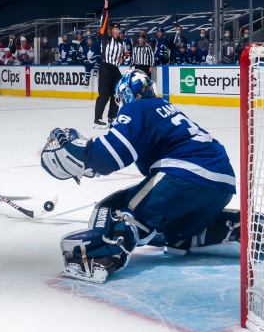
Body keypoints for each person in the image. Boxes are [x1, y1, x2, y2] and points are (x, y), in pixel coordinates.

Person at [39, 69, 241, 284]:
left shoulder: (137, 108)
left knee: (115, 211)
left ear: (128, 95)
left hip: (185, 175)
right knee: (170, 230)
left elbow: (109, 155)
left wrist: (81, 152)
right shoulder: (166, 107)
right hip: (222, 183)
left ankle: (99, 257)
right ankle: (221, 229)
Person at [94, 0, 125, 128]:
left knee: (116, 93)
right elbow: (104, 23)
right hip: (105, 67)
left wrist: (123, 59)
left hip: (115, 69)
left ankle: (112, 117)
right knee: (104, 94)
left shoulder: (121, 43)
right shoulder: (106, 38)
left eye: (118, 29)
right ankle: (97, 119)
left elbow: (125, 56)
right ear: (111, 30)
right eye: (114, 29)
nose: (116, 31)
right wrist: (106, 9)